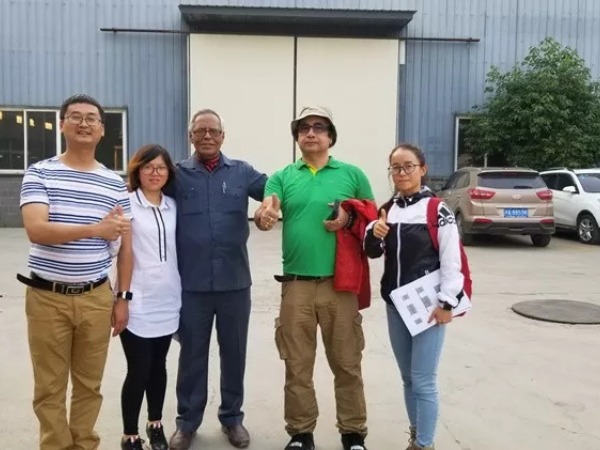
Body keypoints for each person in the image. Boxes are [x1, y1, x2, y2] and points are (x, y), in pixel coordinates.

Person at [18, 94, 133, 450]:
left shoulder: (114, 183)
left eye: (91, 118)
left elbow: (126, 248)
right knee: (49, 387)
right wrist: (96, 230)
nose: (84, 123)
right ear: (62, 124)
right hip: (47, 298)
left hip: (96, 297)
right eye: (75, 117)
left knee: (89, 385)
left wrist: (122, 298)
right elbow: (37, 229)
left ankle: (84, 445)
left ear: (102, 130)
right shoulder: (40, 172)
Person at [256, 106, 374, 450]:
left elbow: (373, 222)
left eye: (319, 127)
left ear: (330, 136)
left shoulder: (352, 175)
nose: (311, 132)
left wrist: (349, 220)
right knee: (297, 366)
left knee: (347, 364)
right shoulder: (282, 177)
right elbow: (268, 209)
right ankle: (300, 433)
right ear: (297, 137)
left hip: (341, 286)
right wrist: (265, 215)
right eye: (304, 128)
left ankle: (353, 433)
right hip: (296, 287)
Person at [166, 109, 267, 450]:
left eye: (213, 131)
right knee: (192, 355)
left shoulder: (241, 172)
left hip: (234, 283)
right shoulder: (176, 175)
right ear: (190, 136)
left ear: (223, 136)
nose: (207, 136)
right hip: (191, 285)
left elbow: (277, 189)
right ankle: (187, 422)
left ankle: (232, 418)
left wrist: (268, 208)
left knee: (234, 353)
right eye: (200, 131)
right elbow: (145, 192)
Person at [363, 144, 464, 450]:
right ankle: (416, 435)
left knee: (424, 380)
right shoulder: (388, 210)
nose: (402, 173)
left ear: (423, 169)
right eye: (395, 167)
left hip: (429, 307)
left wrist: (447, 302)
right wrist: (374, 233)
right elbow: (372, 252)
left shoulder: (437, 210)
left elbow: (452, 260)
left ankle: (424, 444)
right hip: (396, 307)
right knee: (408, 378)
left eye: (408, 166)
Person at [117, 145, 181, 450]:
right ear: (137, 170)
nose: (155, 173)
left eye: (161, 167)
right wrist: (121, 298)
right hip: (137, 301)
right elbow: (120, 254)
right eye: (148, 167)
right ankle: (130, 434)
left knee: (159, 366)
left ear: (168, 173)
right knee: (138, 369)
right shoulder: (126, 204)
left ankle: (155, 423)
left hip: (167, 299)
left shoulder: (173, 206)